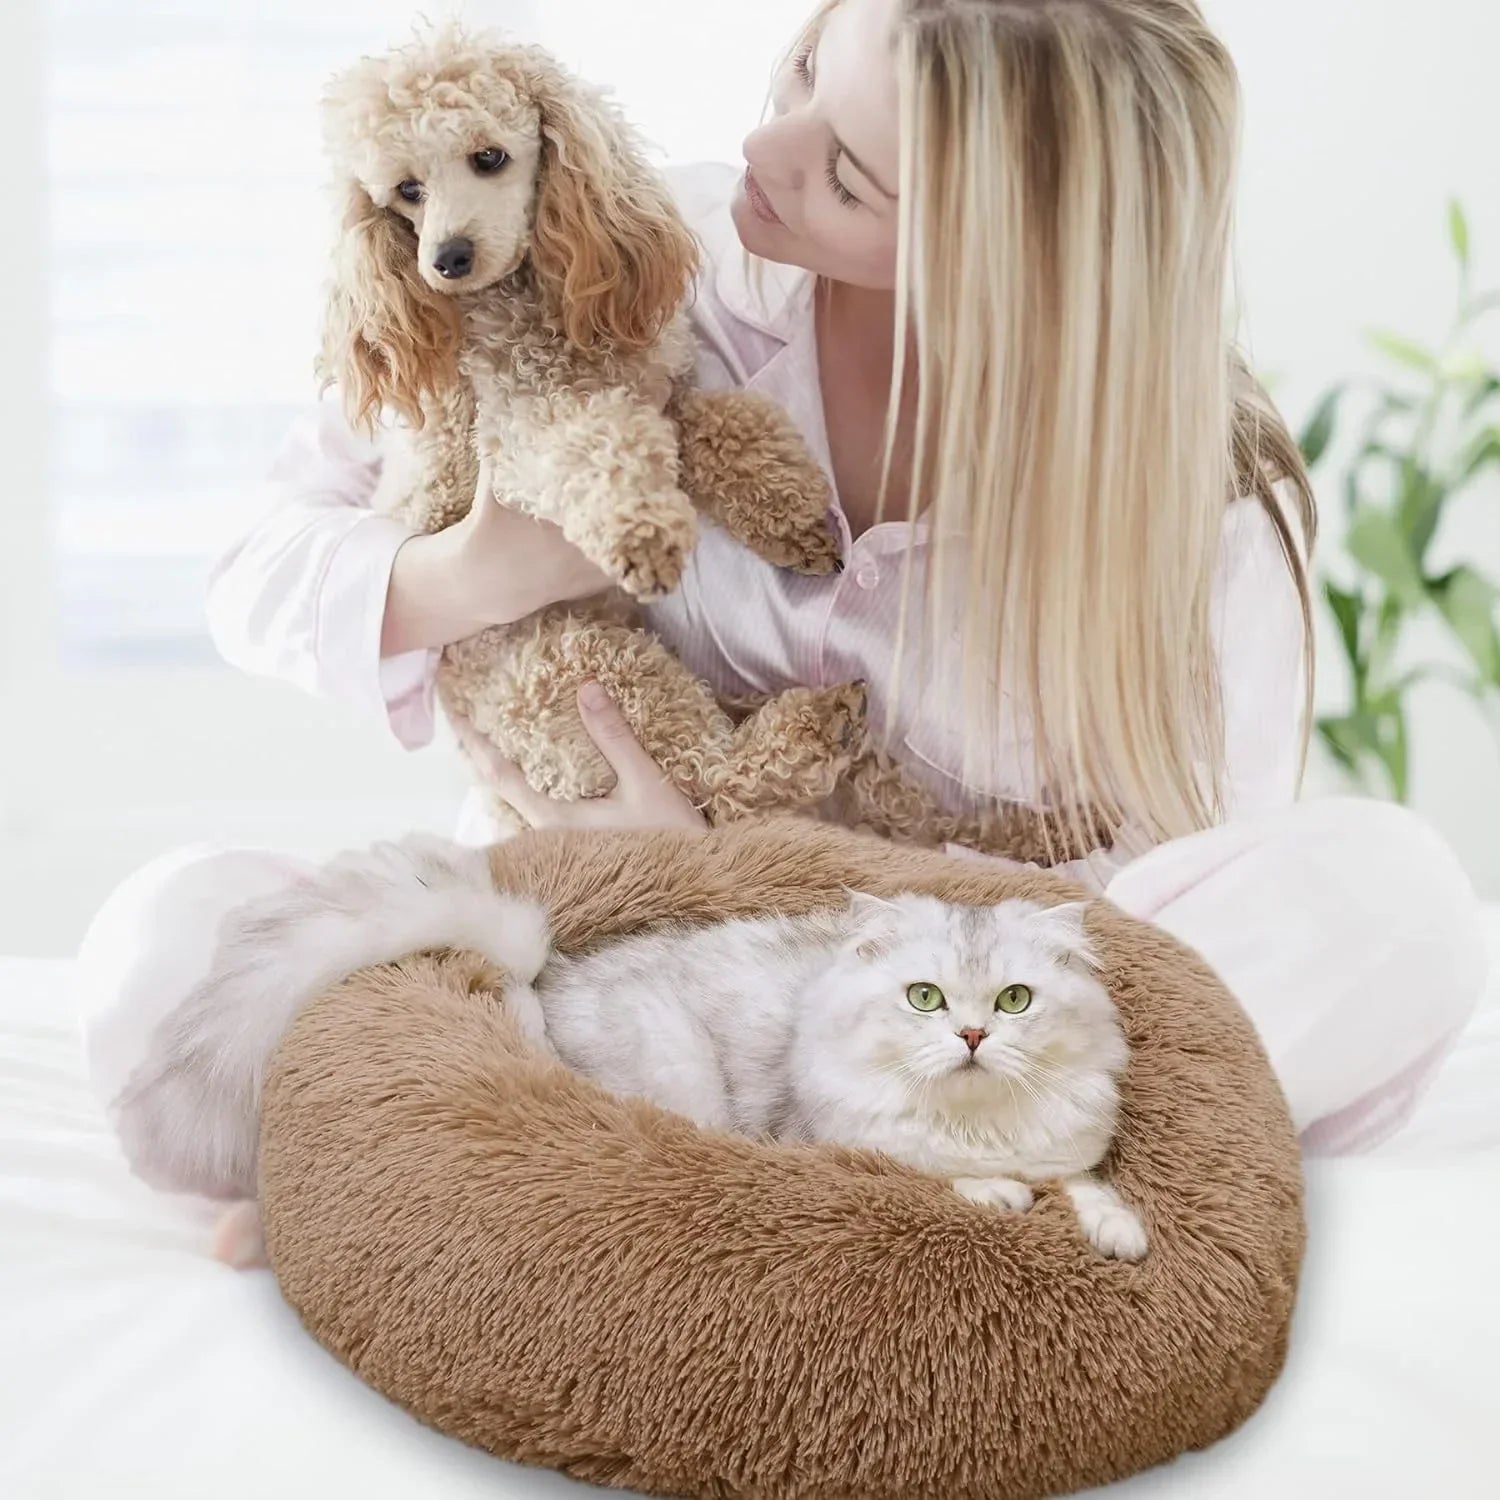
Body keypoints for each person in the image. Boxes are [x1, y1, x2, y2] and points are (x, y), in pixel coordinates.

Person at [79, 0, 1484, 1159]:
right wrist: (469, 574)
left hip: (937, 1040)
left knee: (1398, 902)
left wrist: (741, 877)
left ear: (1009, 261)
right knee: (171, 941)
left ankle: (686, 1193)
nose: (767, 145)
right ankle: (754, 1198)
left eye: (850, 175)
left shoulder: (1202, 507)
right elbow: (255, 569)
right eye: (811, 64)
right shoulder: (631, 261)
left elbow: (1166, 911)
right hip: (581, 966)